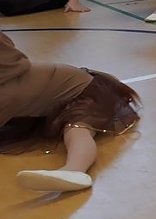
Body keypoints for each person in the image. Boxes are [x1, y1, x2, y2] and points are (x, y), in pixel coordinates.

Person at [0, 31, 139, 192]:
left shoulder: (9, 93)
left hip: (89, 92)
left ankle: (75, 170)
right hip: (55, 97)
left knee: (77, 130)